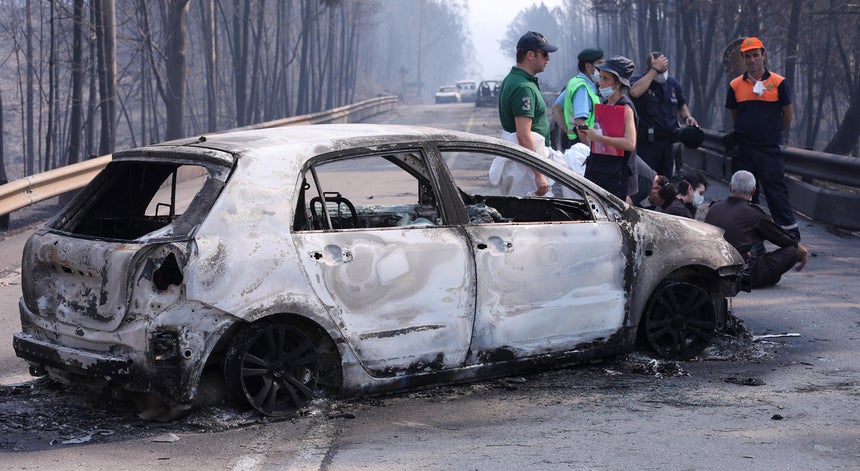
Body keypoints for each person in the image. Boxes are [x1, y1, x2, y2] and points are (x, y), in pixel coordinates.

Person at [725, 37, 800, 241]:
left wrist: (772, 133)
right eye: (748, 56)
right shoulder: (735, 85)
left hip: (769, 149)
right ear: (743, 58)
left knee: (776, 193)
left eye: (756, 55)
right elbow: (735, 115)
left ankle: (790, 236)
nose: (752, 60)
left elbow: (788, 115)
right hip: (744, 149)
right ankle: (751, 239)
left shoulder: (779, 83)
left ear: (763, 55)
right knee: (746, 197)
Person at [705, 170, 808, 288]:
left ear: (730, 187)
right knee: (791, 252)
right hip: (738, 273)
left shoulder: (714, 208)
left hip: (711, 269)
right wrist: (802, 252)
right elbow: (782, 238)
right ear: (753, 190)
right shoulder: (754, 214)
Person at [497, 31, 558, 196]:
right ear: (531, 55)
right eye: (544, 54)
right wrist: (538, 174)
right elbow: (523, 135)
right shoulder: (524, 87)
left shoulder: (513, 79)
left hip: (523, 162)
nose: (548, 58)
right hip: (526, 169)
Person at [578, 56, 638, 202]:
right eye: (601, 77)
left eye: (606, 79)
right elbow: (600, 140)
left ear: (618, 83)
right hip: (598, 172)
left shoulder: (625, 107)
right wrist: (587, 133)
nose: (601, 82)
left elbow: (630, 143)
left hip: (616, 178)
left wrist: (599, 137)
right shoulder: (605, 104)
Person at [629, 51, 698, 179]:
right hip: (647, 144)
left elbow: (681, 105)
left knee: (666, 181)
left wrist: (687, 117)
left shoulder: (673, 84)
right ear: (648, 69)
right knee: (648, 180)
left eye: (663, 70)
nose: (661, 74)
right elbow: (634, 92)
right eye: (658, 70)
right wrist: (654, 71)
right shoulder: (639, 81)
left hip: (668, 144)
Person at [551, 47, 604, 150]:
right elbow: (580, 122)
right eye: (600, 64)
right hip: (583, 143)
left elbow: (556, 108)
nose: (603, 69)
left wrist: (569, 131)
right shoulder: (582, 88)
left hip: (577, 140)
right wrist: (589, 148)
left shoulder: (576, 82)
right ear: (588, 66)